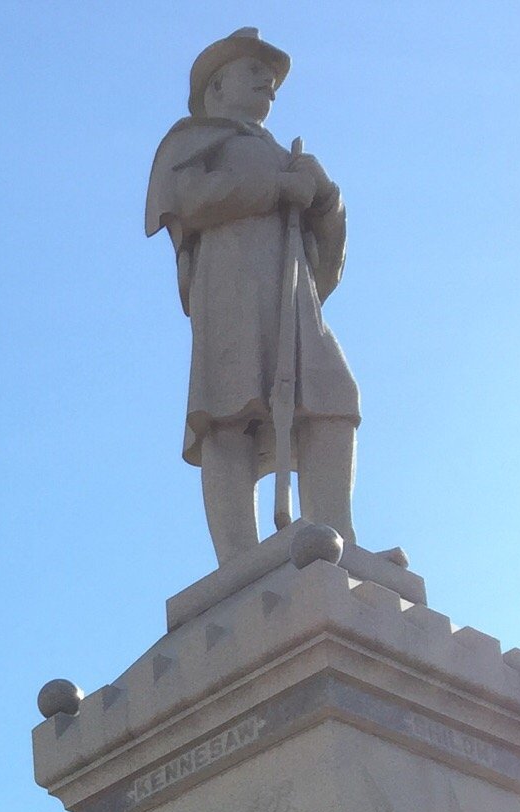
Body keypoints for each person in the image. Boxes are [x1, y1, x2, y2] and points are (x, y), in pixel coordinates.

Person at [145, 28, 360, 562]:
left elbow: (325, 258)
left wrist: (325, 198)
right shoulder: (193, 140)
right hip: (230, 291)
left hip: (294, 300)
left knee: (333, 395)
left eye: (273, 77)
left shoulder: (283, 155)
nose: (269, 81)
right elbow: (189, 200)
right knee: (228, 410)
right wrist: (274, 189)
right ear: (217, 87)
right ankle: (238, 558)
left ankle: (336, 533)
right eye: (254, 70)